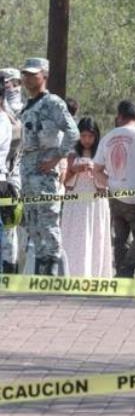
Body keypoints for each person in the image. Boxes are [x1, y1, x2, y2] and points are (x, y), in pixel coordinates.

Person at [19, 57, 79, 276]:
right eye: (25, 74)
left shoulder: (52, 102)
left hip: (45, 173)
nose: (27, 78)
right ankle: (41, 268)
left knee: (48, 221)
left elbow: (73, 132)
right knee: (32, 223)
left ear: (44, 74)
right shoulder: (27, 105)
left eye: (32, 74)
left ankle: (52, 270)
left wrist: (57, 158)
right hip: (28, 172)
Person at [93, 100, 135, 278]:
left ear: (119, 117)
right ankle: (127, 270)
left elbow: (96, 169)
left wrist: (111, 182)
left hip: (116, 196)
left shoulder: (107, 138)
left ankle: (120, 276)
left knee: (121, 238)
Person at [61, 118, 113, 277]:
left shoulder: (102, 154)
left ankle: (95, 275)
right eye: (83, 136)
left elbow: (109, 180)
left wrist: (95, 171)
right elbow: (64, 180)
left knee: (96, 238)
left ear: (96, 136)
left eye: (90, 136)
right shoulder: (71, 153)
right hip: (75, 203)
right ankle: (73, 274)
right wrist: (75, 170)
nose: (87, 140)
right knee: (74, 238)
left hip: (96, 202)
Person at [0, 68, 23, 273]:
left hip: (10, 178)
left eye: (11, 82)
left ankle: (10, 270)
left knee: (10, 230)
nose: (8, 87)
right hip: (10, 177)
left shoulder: (18, 112)